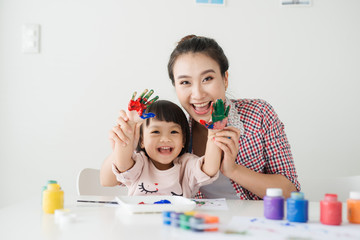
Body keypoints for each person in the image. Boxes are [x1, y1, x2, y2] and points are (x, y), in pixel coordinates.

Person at [167, 35, 300, 199]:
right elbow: (137, 178)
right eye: (185, 82)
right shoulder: (171, 132)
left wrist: (233, 170)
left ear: (225, 79)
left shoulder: (259, 114)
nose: (198, 94)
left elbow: (290, 192)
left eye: (207, 78)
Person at [100, 96, 234, 197]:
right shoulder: (140, 163)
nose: (165, 139)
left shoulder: (186, 165)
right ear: (141, 141)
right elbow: (122, 164)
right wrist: (128, 129)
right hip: (140, 227)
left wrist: (213, 134)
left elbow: (209, 169)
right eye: (155, 132)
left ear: (183, 140)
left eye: (174, 132)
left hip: (176, 228)